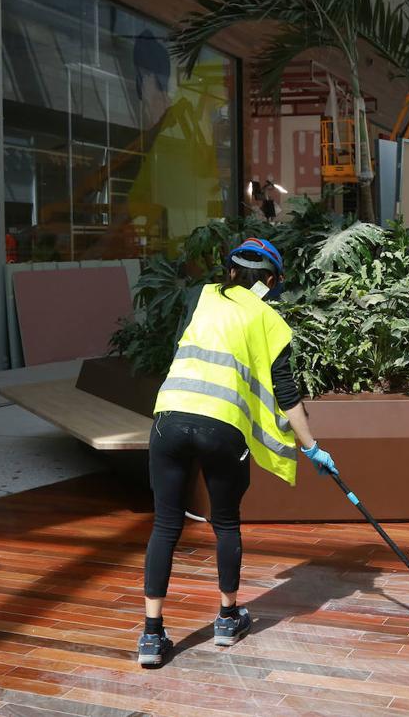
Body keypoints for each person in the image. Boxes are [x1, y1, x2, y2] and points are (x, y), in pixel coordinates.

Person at [137, 238, 337, 666]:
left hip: (169, 418)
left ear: (229, 273)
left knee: (166, 525)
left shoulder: (201, 297)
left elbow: (180, 350)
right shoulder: (269, 320)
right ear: (270, 281)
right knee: (225, 523)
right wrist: (313, 448)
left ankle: (152, 636)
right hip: (220, 428)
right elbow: (287, 394)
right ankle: (228, 619)